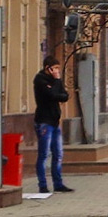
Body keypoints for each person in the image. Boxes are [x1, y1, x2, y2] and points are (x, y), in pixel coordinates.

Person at [33, 55, 73, 194]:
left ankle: (58, 183)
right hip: (44, 121)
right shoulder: (40, 80)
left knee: (58, 153)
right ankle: (42, 185)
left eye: (58, 68)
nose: (57, 71)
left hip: (55, 122)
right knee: (44, 154)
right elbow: (52, 95)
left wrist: (57, 84)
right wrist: (56, 83)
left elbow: (65, 95)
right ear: (47, 68)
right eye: (54, 68)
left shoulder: (56, 81)